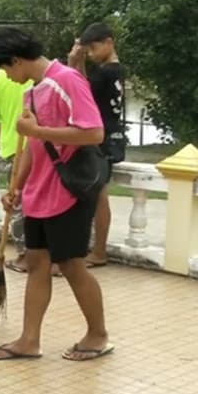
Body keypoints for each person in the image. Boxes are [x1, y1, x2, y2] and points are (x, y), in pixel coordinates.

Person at [0, 28, 114, 362]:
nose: (7, 77)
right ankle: (29, 340)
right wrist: (17, 188)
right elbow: (32, 147)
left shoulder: (67, 80)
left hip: (68, 191)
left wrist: (37, 130)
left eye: (6, 69)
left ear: (16, 60)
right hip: (40, 193)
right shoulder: (32, 93)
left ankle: (98, 335)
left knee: (71, 264)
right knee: (38, 263)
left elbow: (94, 133)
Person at [69, 22, 125, 268]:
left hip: (99, 138)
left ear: (109, 42)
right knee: (97, 194)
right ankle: (96, 248)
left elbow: (82, 96)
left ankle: (99, 250)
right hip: (112, 136)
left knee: (98, 195)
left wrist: (74, 65)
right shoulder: (117, 70)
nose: (90, 54)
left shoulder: (104, 74)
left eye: (93, 48)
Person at [0, 66, 33, 273]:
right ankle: (49, 256)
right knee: (38, 201)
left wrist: (4, 131)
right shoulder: (36, 76)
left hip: (16, 148)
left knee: (18, 201)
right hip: (44, 146)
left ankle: (26, 255)